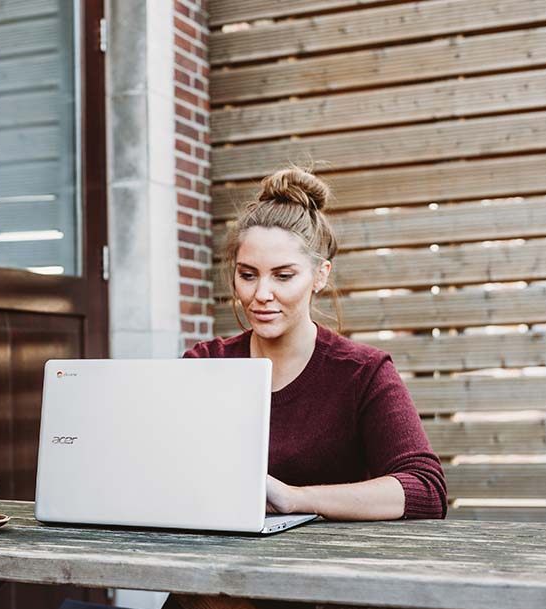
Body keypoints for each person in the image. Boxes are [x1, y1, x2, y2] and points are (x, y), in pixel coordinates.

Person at [183, 166, 447, 520]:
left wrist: (295, 499)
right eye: (247, 275)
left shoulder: (363, 373)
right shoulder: (206, 363)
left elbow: (426, 490)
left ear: (319, 276)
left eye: (284, 276)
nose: (261, 294)